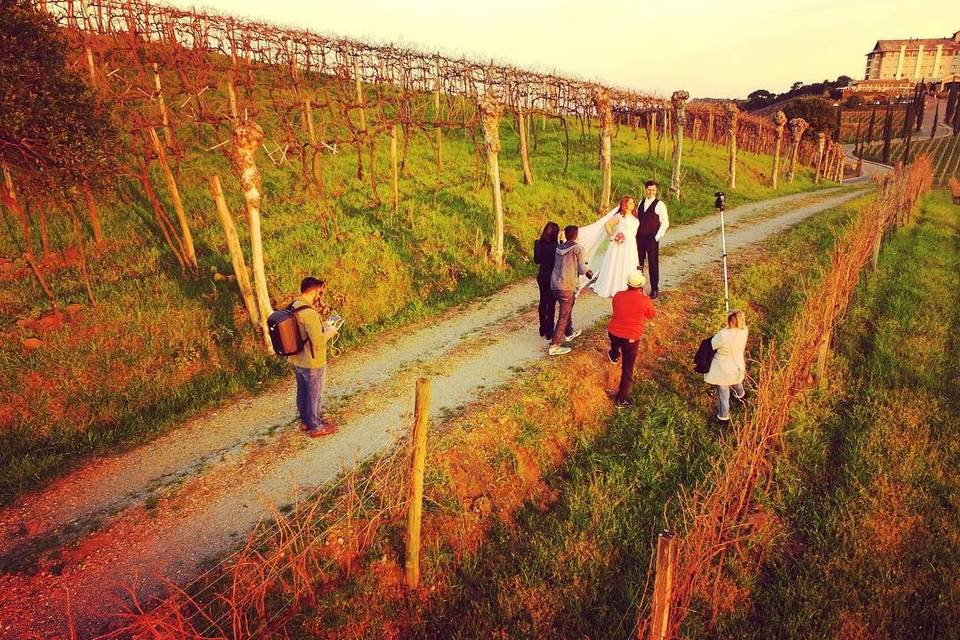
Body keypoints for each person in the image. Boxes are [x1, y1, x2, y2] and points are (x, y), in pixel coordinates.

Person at [290, 277, 339, 437]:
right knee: (314, 395)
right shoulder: (309, 313)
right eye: (319, 291)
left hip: (298, 359)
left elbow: (305, 331)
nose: (320, 295)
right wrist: (330, 332)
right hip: (313, 362)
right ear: (312, 291)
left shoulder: (294, 306)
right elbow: (317, 341)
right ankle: (316, 427)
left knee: (302, 393)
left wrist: (323, 325)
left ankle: (306, 421)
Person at [607, 270, 656, 409]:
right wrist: (645, 297)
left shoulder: (618, 295)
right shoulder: (644, 300)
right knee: (628, 369)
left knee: (615, 344)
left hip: (613, 332)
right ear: (641, 286)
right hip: (631, 338)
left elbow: (617, 309)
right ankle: (621, 399)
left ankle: (614, 354)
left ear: (628, 284)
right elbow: (652, 315)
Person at [549, 225, 592, 356]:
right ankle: (554, 345)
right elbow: (581, 270)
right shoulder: (578, 249)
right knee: (564, 315)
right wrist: (588, 269)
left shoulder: (558, 247)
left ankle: (569, 332)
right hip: (567, 285)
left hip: (555, 284)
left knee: (567, 308)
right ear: (577, 235)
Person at [590, 195, 641, 298]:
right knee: (618, 264)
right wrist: (613, 236)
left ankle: (629, 286)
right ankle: (616, 286)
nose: (632, 205)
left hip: (631, 244)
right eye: (630, 203)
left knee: (629, 263)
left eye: (633, 202)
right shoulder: (620, 217)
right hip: (620, 245)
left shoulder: (635, 217)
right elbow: (607, 224)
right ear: (625, 204)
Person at [704, 309, 748, 422]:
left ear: (731, 322)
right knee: (737, 382)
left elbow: (712, 345)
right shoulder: (744, 331)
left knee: (723, 395)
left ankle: (723, 418)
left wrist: (724, 330)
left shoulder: (723, 335)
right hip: (737, 365)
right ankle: (741, 397)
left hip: (722, 370)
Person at [635, 180, 669, 299]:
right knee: (638, 262)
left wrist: (657, 236)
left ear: (656, 191)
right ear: (645, 190)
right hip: (639, 237)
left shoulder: (659, 204)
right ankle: (637, 286)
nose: (651, 192)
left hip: (652, 238)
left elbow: (665, 222)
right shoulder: (640, 202)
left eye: (653, 190)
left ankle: (654, 288)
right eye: (649, 190)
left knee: (653, 263)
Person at [534, 221, 567, 341]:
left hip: (542, 274)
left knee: (543, 301)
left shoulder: (538, 244)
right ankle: (549, 329)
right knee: (551, 303)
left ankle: (542, 327)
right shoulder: (557, 246)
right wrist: (562, 242)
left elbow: (536, 260)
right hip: (552, 276)